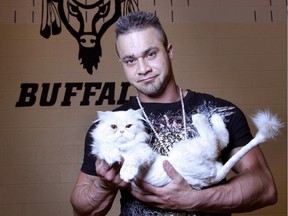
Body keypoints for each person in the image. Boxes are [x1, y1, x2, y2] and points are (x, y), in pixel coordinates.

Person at [70, 11, 277, 216]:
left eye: (150, 54)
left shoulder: (220, 112)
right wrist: (105, 186)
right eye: (130, 60)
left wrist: (195, 200)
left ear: (169, 52)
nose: (142, 69)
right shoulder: (111, 126)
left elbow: (265, 187)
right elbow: (82, 209)